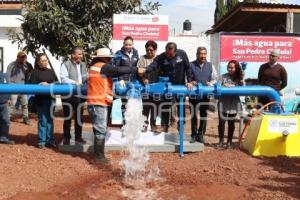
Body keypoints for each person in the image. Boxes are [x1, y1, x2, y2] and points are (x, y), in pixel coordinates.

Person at [87, 48, 138, 163]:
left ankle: (98, 155)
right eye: (109, 58)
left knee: (98, 129)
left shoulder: (95, 66)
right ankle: (99, 157)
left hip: (96, 102)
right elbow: (119, 70)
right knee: (100, 130)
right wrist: (135, 69)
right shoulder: (102, 66)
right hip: (98, 102)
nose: (110, 60)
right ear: (105, 58)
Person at [139, 42, 193, 133]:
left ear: (175, 52)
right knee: (165, 105)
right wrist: (146, 69)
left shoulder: (182, 54)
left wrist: (190, 81)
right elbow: (154, 64)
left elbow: (188, 68)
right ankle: (164, 126)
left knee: (181, 106)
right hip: (167, 87)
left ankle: (181, 125)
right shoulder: (162, 57)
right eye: (167, 53)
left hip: (180, 86)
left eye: (170, 54)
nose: (168, 55)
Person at [189, 46, 218, 143]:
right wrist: (190, 82)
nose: (203, 56)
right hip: (193, 95)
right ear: (197, 54)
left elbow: (215, 78)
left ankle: (201, 135)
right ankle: (193, 134)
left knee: (203, 115)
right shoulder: (191, 65)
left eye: (204, 54)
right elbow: (187, 78)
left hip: (205, 95)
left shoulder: (210, 65)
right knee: (193, 115)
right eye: (201, 54)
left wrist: (211, 83)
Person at [60, 47, 87, 145]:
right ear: (73, 55)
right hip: (69, 95)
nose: (80, 56)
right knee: (68, 117)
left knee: (79, 117)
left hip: (80, 95)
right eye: (79, 54)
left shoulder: (84, 65)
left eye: (81, 54)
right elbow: (63, 79)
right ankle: (66, 137)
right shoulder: (66, 64)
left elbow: (85, 77)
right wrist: (75, 83)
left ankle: (78, 137)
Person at [30, 53, 58, 148]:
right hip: (40, 100)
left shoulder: (50, 71)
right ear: (38, 62)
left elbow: (56, 82)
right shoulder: (34, 72)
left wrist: (49, 84)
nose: (45, 62)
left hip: (51, 99)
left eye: (46, 60)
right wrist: (40, 84)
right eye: (43, 61)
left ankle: (50, 140)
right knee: (43, 120)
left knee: (50, 120)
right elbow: (32, 86)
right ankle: (42, 141)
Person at [217, 60, 244, 148]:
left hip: (233, 103)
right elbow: (218, 88)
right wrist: (224, 86)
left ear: (236, 68)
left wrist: (237, 86)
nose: (230, 69)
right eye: (229, 67)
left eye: (232, 67)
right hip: (223, 103)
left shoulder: (239, 78)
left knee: (231, 123)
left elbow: (242, 90)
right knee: (221, 123)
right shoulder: (222, 77)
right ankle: (221, 142)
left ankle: (229, 142)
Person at [114, 36, 139, 125]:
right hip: (123, 83)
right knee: (124, 103)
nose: (128, 46)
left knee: (133, 103)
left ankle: (131, 123)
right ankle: (125, 123)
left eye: (130, 44)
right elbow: (116, 68)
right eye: (126, 44)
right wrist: (120, 79)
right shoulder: (118, 53)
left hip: (133, 83)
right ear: (123, 44)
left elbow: (136, 68)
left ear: (132, 44)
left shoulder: (136, 54)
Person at [137, 40, 160, 132]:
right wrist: (143, 78)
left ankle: (153, 125)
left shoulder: (159, 59)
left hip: (157, 87)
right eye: (147, 50)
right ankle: (144, 125)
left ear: (155, 50)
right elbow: (138, 72)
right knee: (146, 107)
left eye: (151, 50)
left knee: (155, 107)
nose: (149, 52)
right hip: (145, 86)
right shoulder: (142, 59)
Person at [6, 51, 33, 125]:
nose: (22, 58)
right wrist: (11, 86)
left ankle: (25, 119)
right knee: (12, 104)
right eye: (21, 57)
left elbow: (28, 76)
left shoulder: (26, 65)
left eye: (24, 57)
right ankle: (7, 119)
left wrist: (26, 85)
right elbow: (8, 77)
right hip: (14, 87)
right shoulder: (11, 65)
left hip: (23, 87)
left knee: (25, 104)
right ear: (17, 57)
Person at [0, 72, 15, 145]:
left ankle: (3, 138)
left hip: (4, 102)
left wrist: (9, 98)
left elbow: (8, 87)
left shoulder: (4, 75)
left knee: (5, 121)